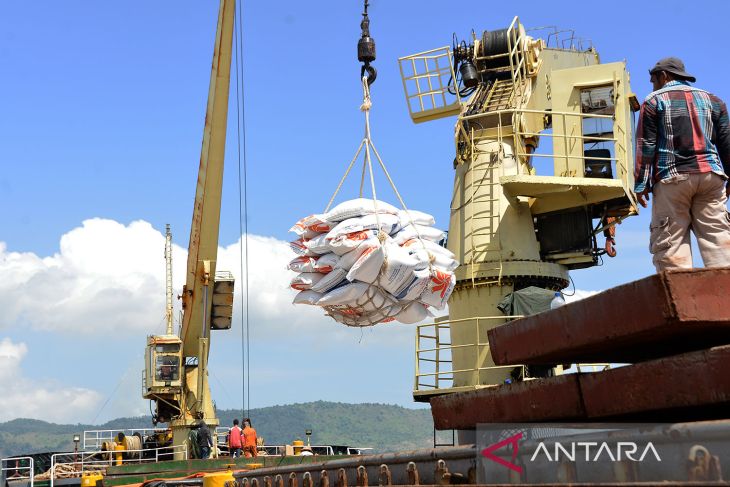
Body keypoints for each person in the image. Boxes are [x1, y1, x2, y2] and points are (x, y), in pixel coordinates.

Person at [634, 56, 730, 271]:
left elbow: (646, 145)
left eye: (653, 80)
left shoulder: (653, 101)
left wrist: (641, 185)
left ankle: (682, 298)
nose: (652, 85)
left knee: (671, 246)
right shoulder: (714, 100)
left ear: (663, 76)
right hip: (711, 178)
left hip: (672, 178)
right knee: (719, 241)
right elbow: (726, 141)